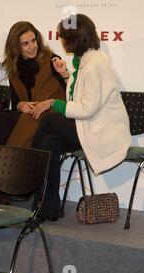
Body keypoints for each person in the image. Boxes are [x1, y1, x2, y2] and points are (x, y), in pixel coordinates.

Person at [30, 14, 131, 221]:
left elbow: (87, 108)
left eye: (64, 37)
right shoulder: (85, 60)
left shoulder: (95, 64)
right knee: (50, 142)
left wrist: (51, 103)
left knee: (48, 120)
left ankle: (30, 177)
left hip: (101, 130)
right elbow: (80, 97)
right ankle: (47, 207)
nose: (62, 41)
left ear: (75, 38)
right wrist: (67, 75)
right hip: (87, 126)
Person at [0, 21, 68, 147]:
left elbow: (70, 93)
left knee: (5, 121)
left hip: (51, 112)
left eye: (33, 41)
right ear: (16, 47)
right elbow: (16, 102)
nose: (32, 46)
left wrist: (64, 73)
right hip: (30, 114)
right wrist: (20, 105)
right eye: (25, 44)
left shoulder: (51, 59)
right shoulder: (13, 67)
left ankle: (11, 162)